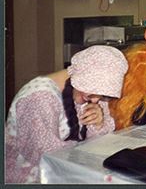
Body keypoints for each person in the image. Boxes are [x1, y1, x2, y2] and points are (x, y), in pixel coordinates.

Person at [5, 45, 128, 183]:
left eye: (102, 95)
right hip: (31, 177)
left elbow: (97, 144)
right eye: (93, 93)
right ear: (81, 77)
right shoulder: (38, 98)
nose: (95, 100)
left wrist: (98, 124)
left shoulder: (89, 93)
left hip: (65, 170)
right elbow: (49, 158)